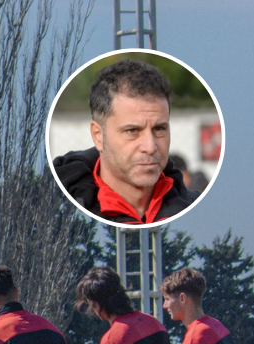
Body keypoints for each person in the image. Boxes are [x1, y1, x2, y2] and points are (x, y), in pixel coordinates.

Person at [52, 59, 199, 225]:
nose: (150, 147)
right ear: (98, 136)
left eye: (159, 129)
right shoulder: (60, 212)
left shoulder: (196, 210)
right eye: (132, 131)